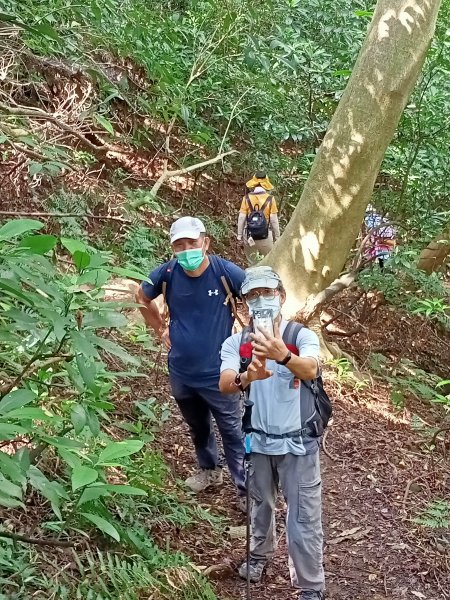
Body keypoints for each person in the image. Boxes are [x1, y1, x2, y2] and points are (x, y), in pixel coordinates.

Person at [219, 266, 325, 600]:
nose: (261, 300)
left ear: (280, 296)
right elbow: (225, 384)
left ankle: (310, 585)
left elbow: (311, 368)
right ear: (245, 302)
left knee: (304, 517)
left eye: (267, 293)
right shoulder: (237, 343)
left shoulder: (299, 336)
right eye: (253, 295)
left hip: (299, 442)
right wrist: (247, 376)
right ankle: (258, 556)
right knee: (258, 506)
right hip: (259, 442)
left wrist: (282, 354)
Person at [136, 216, 247, 509]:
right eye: (179, 245)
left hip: (220, 374)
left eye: (192, 243)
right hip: (182, 371)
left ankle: (247, 490)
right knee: (198, 427)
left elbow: (261, 294)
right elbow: (141, 296)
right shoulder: (168, 272)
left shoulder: (225, 272)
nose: (187, 250)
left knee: (233, 432)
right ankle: (210, 470)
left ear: (205, 243)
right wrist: (159, 328)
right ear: (173, 248)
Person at [237, 171, 281, 264]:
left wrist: (239, 235)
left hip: (249, 236)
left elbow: (241, 217)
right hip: (265, 236)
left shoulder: (246, 198)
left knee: (252, 263)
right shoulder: (270, 199)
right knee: (268, 263)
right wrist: (277, 236)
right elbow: (273, 220)